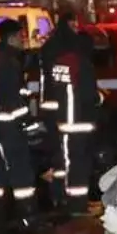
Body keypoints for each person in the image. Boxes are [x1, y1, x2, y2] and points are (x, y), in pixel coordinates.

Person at [0, 20, 46, 234]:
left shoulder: (5, 60)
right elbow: (12, 101)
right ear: (12, 38)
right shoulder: (8, 64)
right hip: (9, 128)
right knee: (21, 173)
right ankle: (28, 219)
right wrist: (29, 124)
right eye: (22, 36)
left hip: (5, 126)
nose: (25, 40)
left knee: (2, 172)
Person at [46, 29, 101, 215]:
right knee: (78, 164)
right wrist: (99, 99)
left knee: (66, 162)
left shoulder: (60, 63)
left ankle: (63, 197)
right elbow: (89, 95)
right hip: (80, 122)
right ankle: (77, 206)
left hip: (64, 122)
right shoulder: (83, 64)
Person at [38, 13, 80, 208]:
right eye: (74, 24)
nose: (76, 27)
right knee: (65, 154)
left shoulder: (49, 46)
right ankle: (63, 195)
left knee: (58, 154)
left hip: (51, 106)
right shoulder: (66, 48)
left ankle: (57, 192)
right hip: (62, 107)